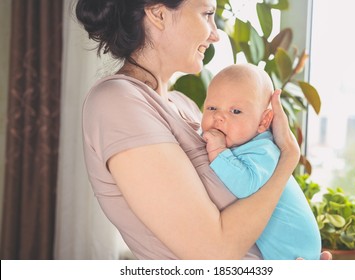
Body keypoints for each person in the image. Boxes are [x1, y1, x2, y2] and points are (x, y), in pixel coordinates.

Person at [76, 0, 331, 260]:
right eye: (207, 14)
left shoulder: (184, 106)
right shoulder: (118, 102)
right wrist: (287, 159)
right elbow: (213, 253)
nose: (216, 34)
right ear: (158, 14)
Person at [201, 64, 321, 260]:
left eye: (236, 111)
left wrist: (218, 150)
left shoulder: (264, 150)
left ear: (263, 121)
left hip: (294, 253)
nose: (219, 116)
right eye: (212, 107)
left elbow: (244, 186)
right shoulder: (240, 141)